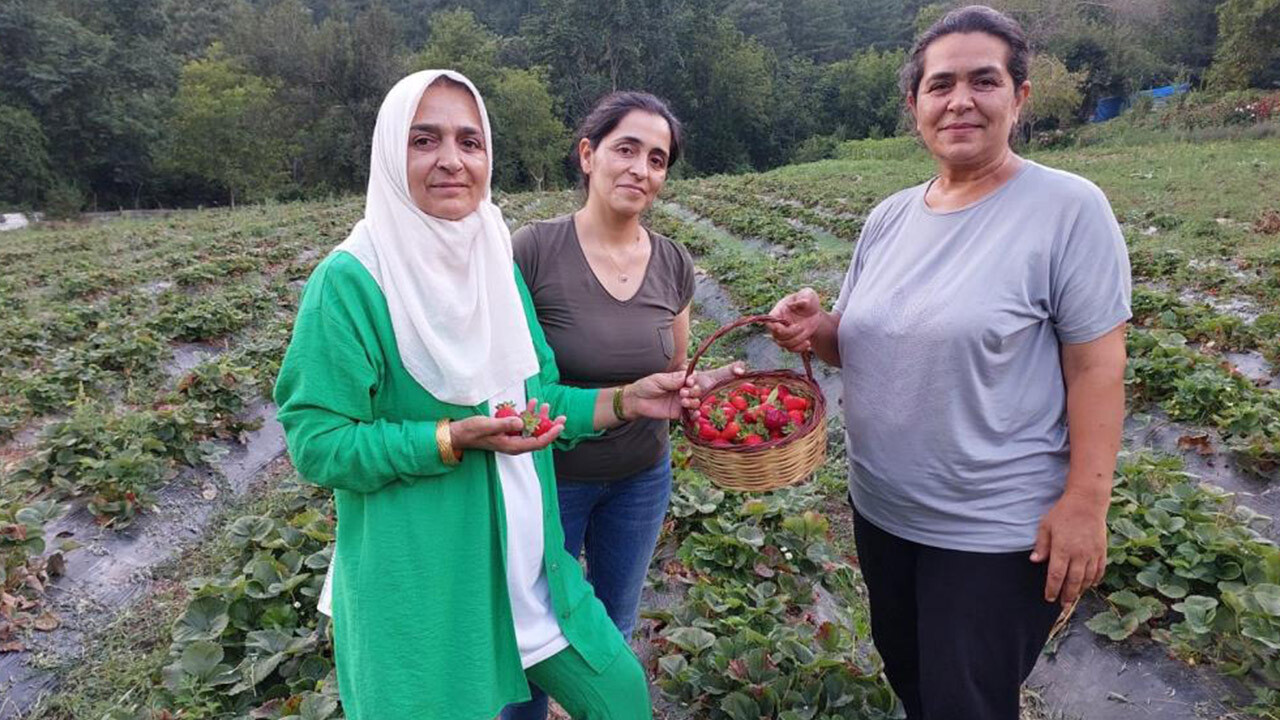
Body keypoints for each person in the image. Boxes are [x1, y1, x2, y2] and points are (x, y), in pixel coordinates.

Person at [275, 69, 706, 719]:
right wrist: (447, 439)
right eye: (425, 140)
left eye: (469, 142)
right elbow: (318, 443)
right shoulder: (352, 281)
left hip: (530, 568)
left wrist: (627, 400)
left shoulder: (493, 261)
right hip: (428, 582)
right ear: (392, 153)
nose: (451, 160)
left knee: (619, 696)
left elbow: (534, 401)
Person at [765, 6, 1131, 719]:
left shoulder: (1067, 210)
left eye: (983, 81)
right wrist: (817, 329)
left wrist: (1087, 503)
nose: (960, 100)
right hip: (884, 513)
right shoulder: (891, 216)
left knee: (967, 704)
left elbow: (1097, 369)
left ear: (1019, 97)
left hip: (992, 532)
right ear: (915, 105)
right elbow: (863, 344)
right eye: (940, 85)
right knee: (913, 682)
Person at [503, 92, 736, 720]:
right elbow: (508, 381)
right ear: (588, 154)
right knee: (535, 636)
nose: (640, 168)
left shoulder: (673, 262)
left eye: (657, 159)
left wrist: (697, 391)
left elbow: (672, 371)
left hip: (640, 476)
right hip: (550, 479)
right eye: (625, 149)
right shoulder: (533, 250)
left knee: (613, 623)